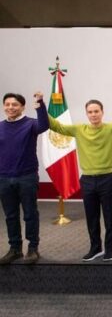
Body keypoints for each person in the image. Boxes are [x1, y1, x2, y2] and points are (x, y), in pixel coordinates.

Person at [49, 96, 112, 262]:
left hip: (107, 178)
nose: (93, 114)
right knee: (92, 217)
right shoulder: (79, 129)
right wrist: (41, 105)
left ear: (102, 112)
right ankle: (95, 248)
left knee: (110, 217)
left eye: (96, 111)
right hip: (87, 180)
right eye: (90, 112)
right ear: (86, 114)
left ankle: (110, 249)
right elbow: (56, 126)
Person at [0, 92, 49, 265]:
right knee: (10, 216)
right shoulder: (0, 126)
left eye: (14, 104)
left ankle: (33, 248)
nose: (10, 107)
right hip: (4, 178)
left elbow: (44, 125)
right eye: (7, 104)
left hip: (27, 177)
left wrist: (40, 104)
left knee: (30, 214)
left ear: (22, 107)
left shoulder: (31, 124)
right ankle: (15, 249)